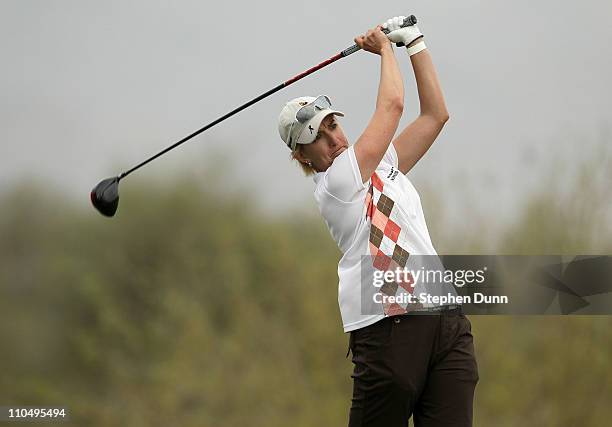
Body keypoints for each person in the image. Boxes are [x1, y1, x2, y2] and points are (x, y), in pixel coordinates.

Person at [277, 16, 479, 427]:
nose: (334, 139)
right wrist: (386, 50)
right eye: (318, 135)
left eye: (333, 124)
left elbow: (435, 115)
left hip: (445, 322)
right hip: (389, 329)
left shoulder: (383, 164)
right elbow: (393, 106)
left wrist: (414, 43)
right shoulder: (335, 183)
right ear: (303, 156)